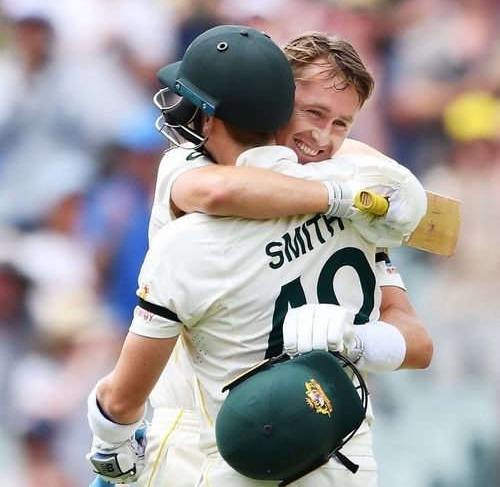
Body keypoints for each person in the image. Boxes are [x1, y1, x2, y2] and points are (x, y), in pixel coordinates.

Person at [85, 26, 429, 487]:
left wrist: (357, 341)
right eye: (312, 112)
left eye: (341, 124)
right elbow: (221, 188)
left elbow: (418, 341)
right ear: (276, 103)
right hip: (248, 438)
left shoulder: (354, 190)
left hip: (236, 451)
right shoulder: (353, 196)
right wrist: (348, 194)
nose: (323, 136)